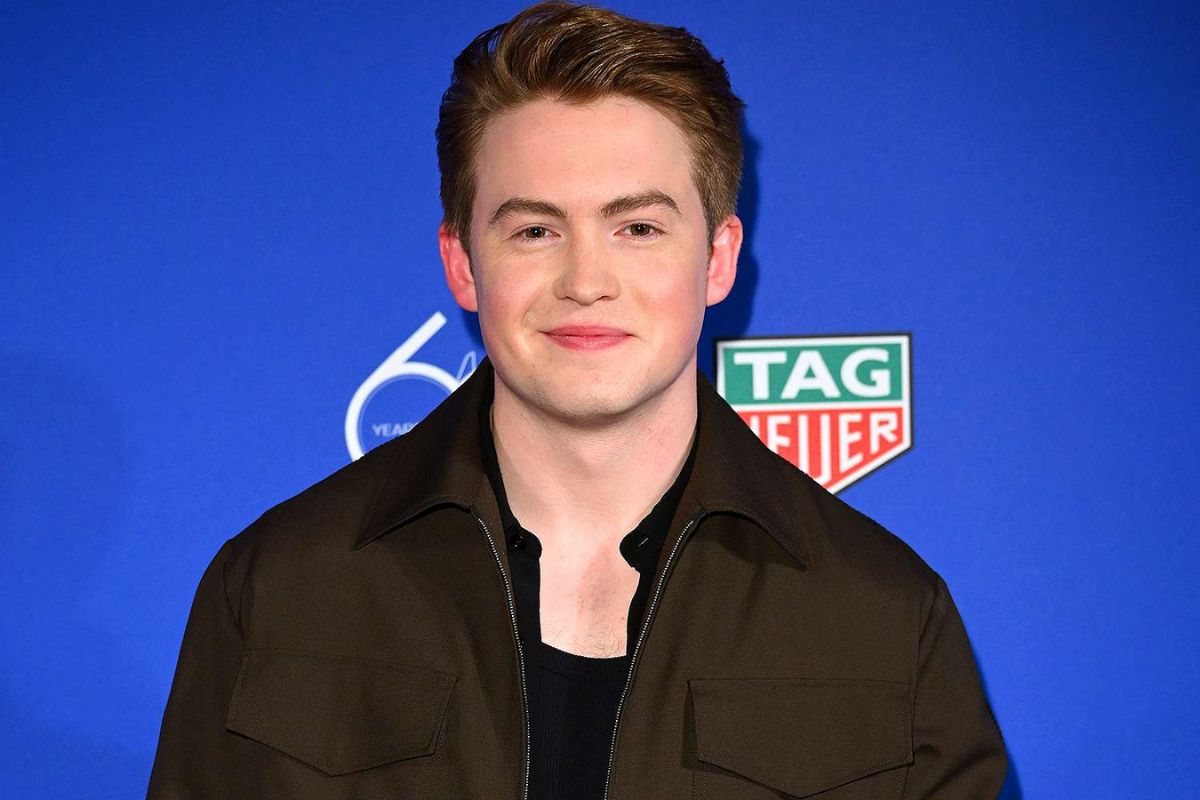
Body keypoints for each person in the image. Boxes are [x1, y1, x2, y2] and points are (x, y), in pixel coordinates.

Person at [147, 2, 1007, 798]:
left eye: (638, 228)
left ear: (716, 260)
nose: (586, 280)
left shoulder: (886, 617)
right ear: (461, 264)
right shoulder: (279, 587)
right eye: (535, 230)